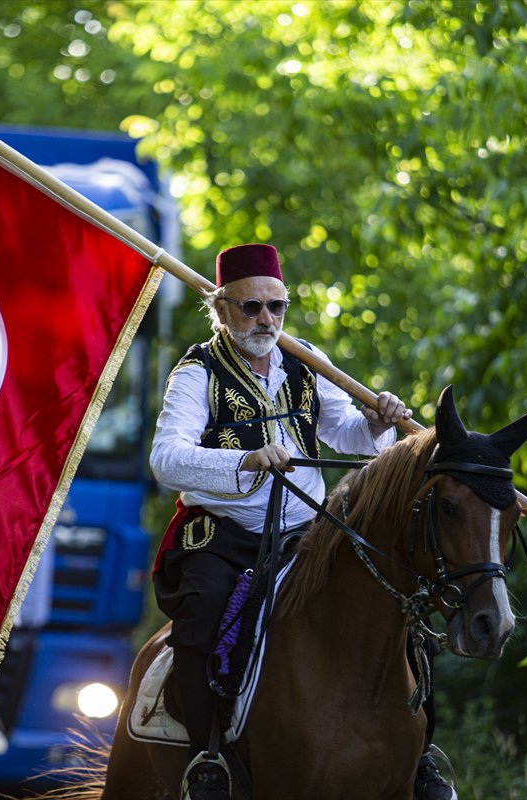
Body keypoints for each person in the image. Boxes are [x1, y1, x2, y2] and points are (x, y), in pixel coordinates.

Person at [149, 243, 455, 800]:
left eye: (277, 307)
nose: (267, 320)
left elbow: (350, 436)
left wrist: (377, 420)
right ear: (220, 309)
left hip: (308, 535)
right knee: (200, 624)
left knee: (397, 607)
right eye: (251, 308)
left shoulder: (307, 359)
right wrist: (245, 458)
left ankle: (421, 758)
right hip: (224, 538)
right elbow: (166, 458)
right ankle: (207, 759)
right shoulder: (197, 371)